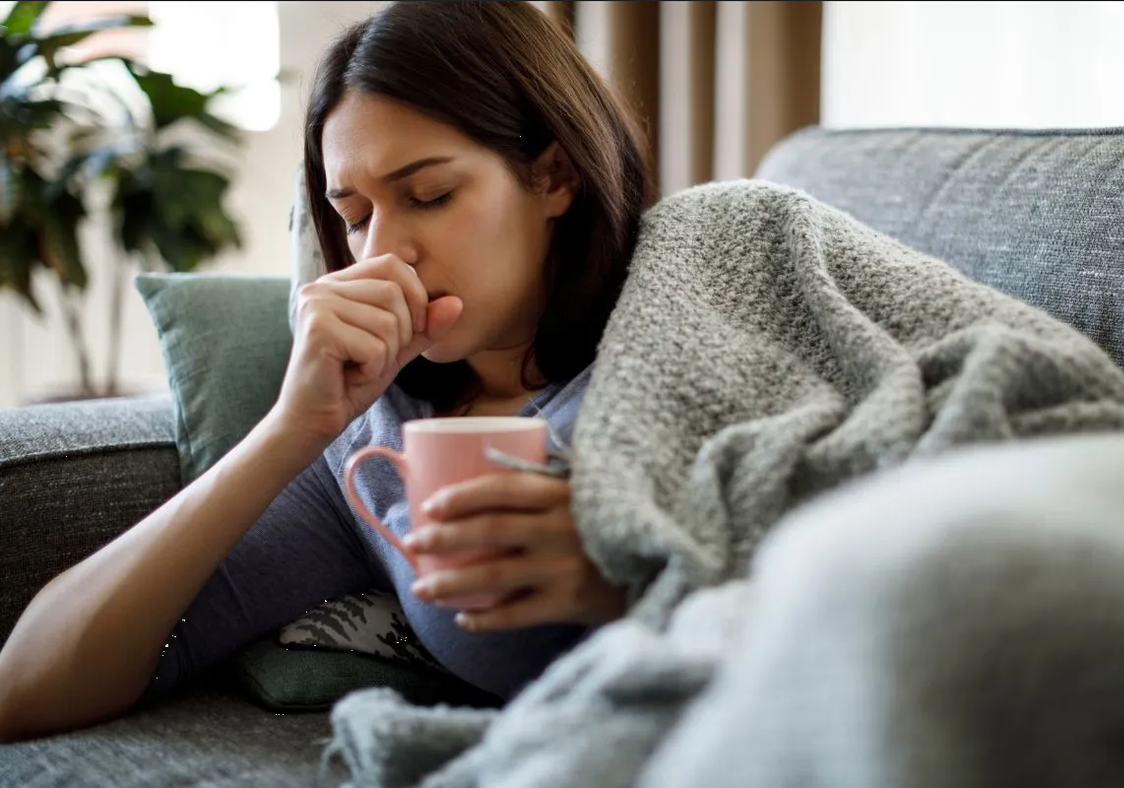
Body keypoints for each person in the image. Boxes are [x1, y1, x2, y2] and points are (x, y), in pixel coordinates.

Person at [0, 0, 651, 742]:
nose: (381, 253)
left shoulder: (684, 336)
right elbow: (23, 690)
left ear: (556, 175)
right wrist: (289, 430)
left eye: (429, 195)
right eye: (355, 213)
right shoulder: (372, 445)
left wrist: (636, 583)